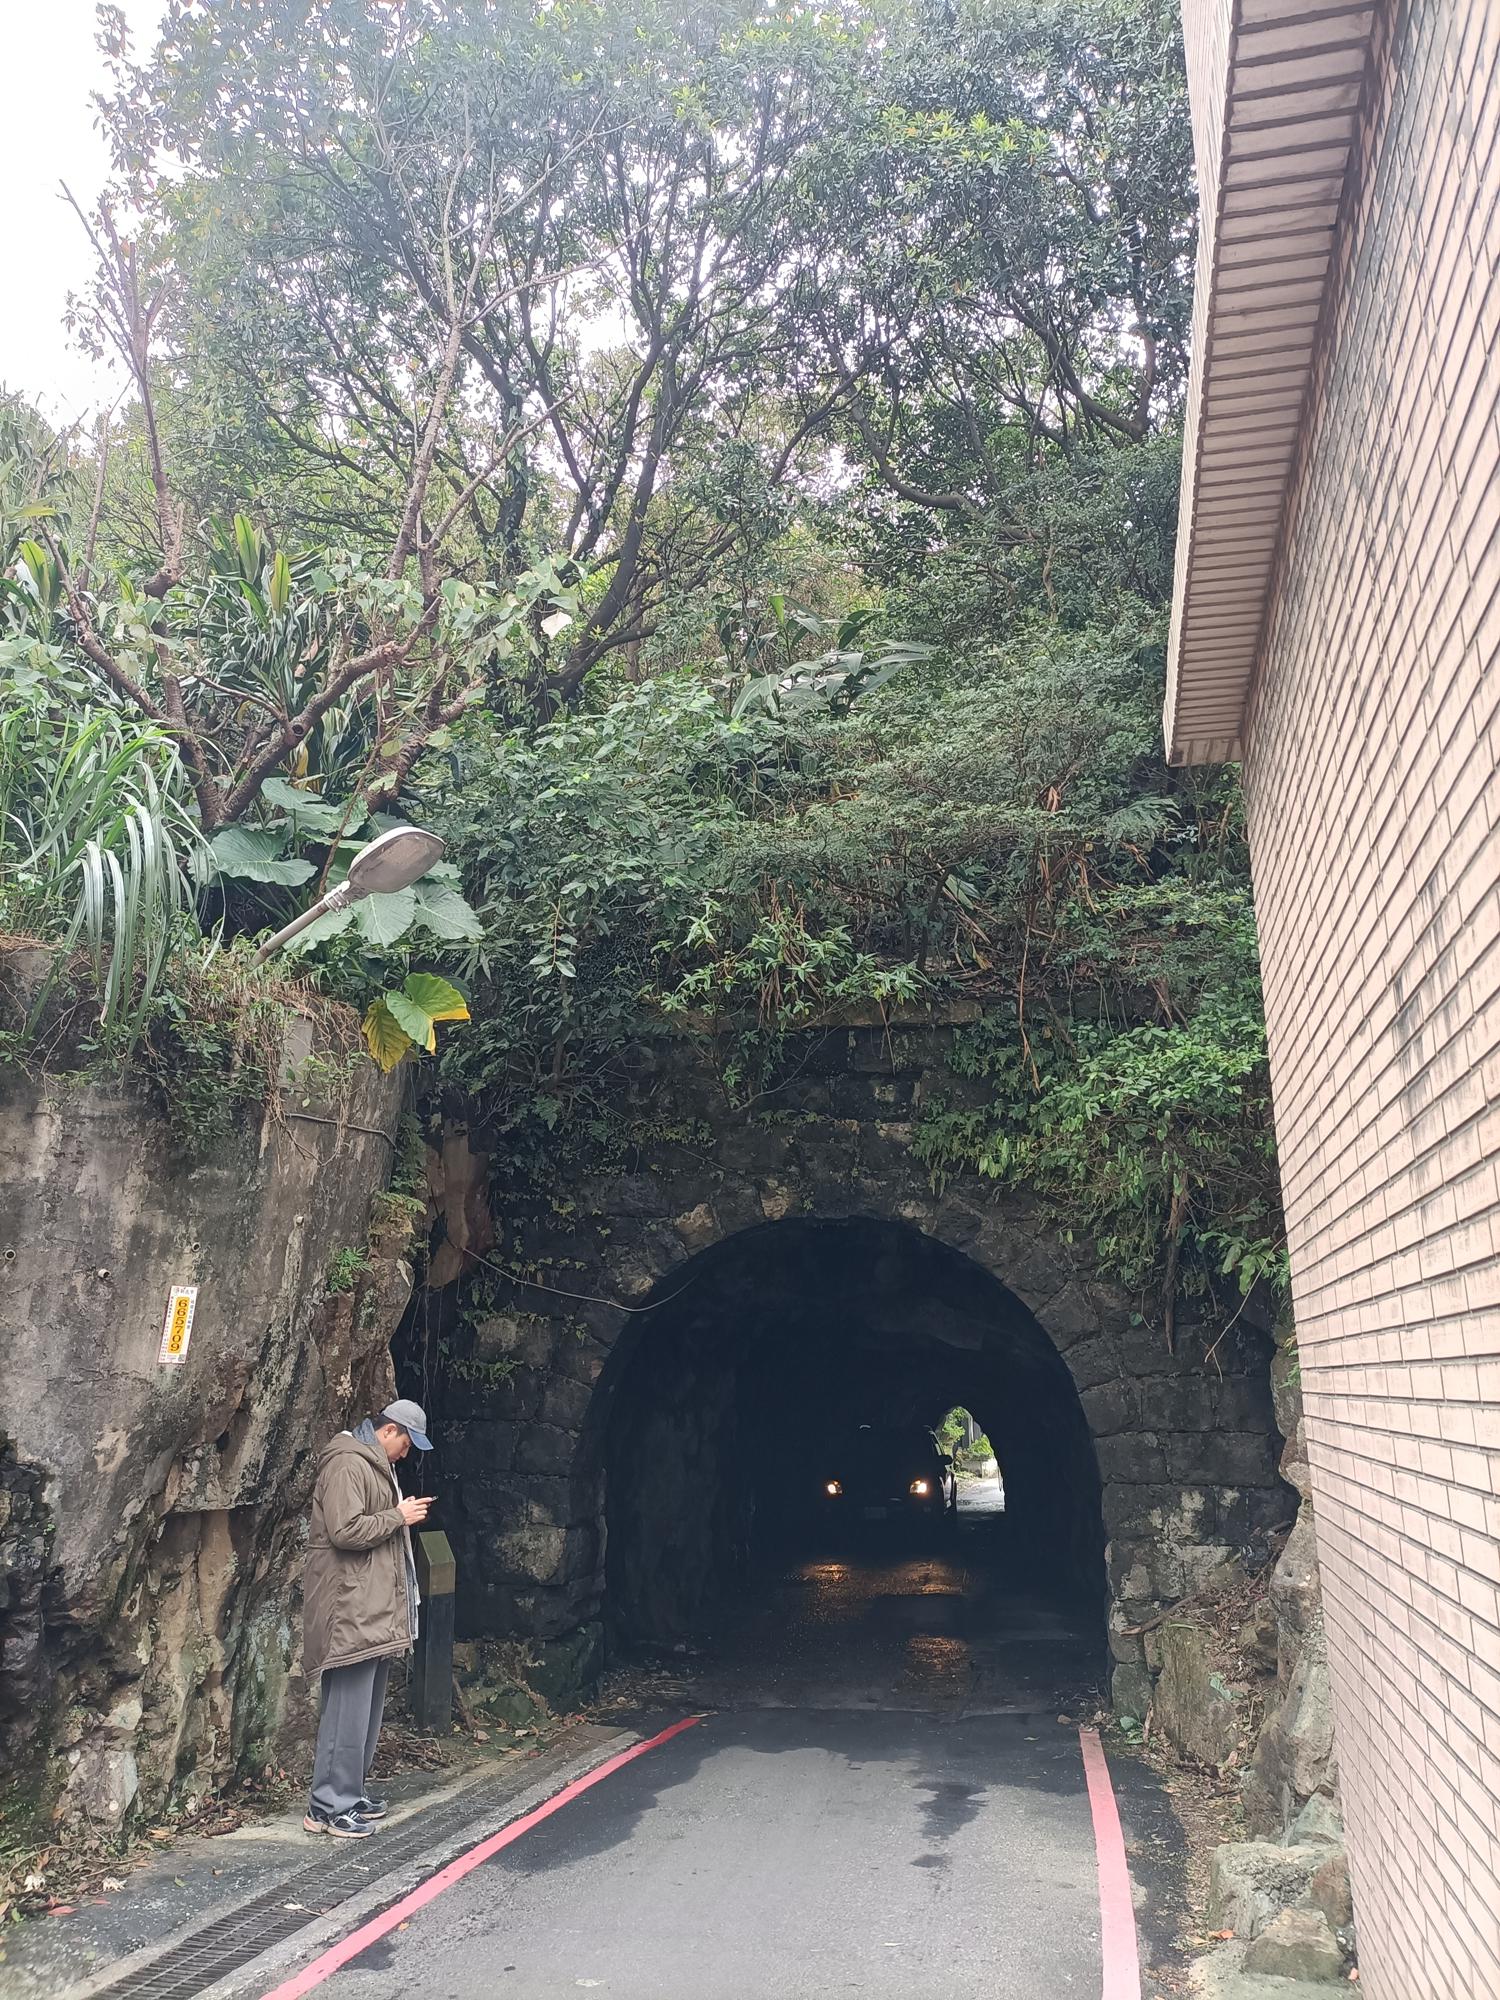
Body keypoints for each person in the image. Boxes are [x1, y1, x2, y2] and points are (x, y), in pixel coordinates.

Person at [301, 1399, 435, 1838]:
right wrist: (398, 1516)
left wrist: (396, 1516)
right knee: (346, 1711)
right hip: (350, 1610)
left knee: (365, 1711)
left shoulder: (373, 1465)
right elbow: (344, 1531)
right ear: (388, 1430)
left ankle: (349, 1793)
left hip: (369, 1609)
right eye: (406, 1444)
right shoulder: (347, 1463)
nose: (406, 1454)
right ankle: (327, 1807)